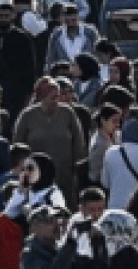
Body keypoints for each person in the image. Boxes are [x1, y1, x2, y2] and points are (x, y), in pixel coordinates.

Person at [13, 78, 86, 207]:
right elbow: (18, 145)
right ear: (42, 97)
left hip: (64, 175)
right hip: (37, 176)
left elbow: (78, 142)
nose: (55, 101)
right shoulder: (27, 116)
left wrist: (78, 168)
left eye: (57, 97)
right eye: (52, 98)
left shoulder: (67, 113)